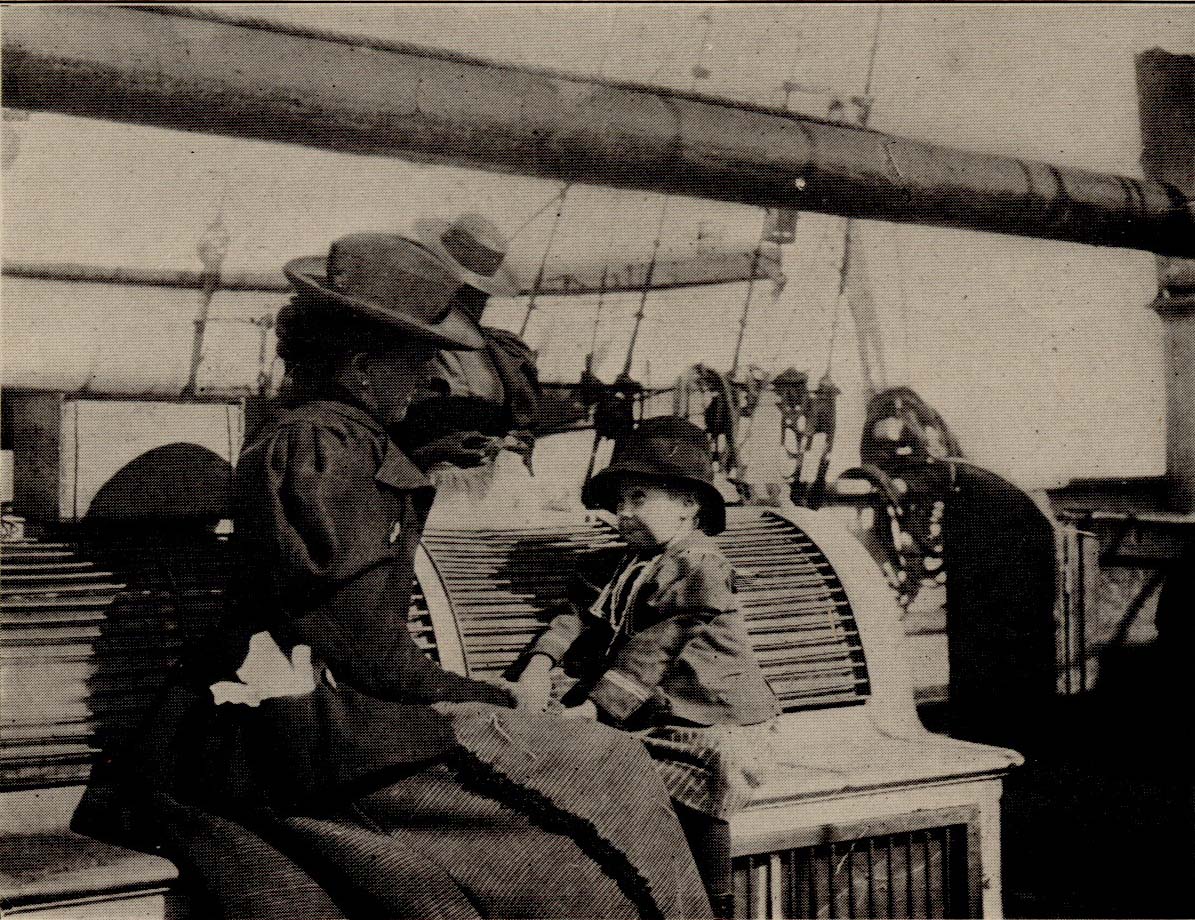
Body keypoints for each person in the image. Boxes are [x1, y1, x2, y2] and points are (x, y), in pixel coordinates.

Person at [72, 234, 712, 920]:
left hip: (330, 719)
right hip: (303, 733)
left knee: (602, 765)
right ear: (360, 365)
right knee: (600, 771)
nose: (429, 377)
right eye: (417, 357)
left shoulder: (339, 439)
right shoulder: (320, 445)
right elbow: (362, 650)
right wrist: (488, 697)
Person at [513, 416, 782, 915]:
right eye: (619, 503)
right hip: (661, 709)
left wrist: (595, 709)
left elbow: (654, 649)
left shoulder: (699, 564)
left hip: (715, 717)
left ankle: (714, 899)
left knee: (701, 783)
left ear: (687, 505)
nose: (623, 513)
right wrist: (539, 663)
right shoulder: (628, 562)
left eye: (638, 499)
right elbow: (578, 615)